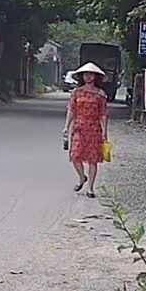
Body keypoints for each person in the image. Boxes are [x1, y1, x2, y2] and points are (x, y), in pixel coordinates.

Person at [63, 62, 109, 198]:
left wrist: (105, 131)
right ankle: (82, 177)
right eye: (86, 74)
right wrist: (66, 126)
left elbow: (103, 114)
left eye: (91, 74)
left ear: (95, 77)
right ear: (82, 76)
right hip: (79, 127)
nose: (88, 77)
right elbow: (71, 110)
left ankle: (90, 188)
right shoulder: (76, 92)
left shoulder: (100, 94)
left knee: (92, 159)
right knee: (75, 156)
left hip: (94, 129)